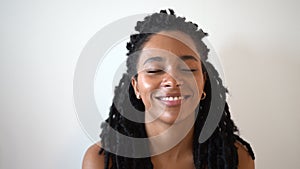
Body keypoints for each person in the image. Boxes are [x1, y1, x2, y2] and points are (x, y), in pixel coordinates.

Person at [82, 9, 255, 169]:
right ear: (136, 87)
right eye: (154, 70)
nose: (172, 81)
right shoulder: (102, 161)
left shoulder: (236, 159)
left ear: (203, 82)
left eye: (188, 69)